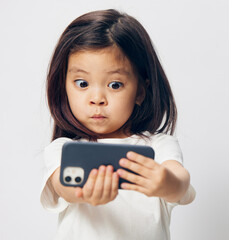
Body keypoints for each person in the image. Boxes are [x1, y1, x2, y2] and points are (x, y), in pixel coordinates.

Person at [40, 9, 195, 240]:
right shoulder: (63, 150)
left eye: (114, 85)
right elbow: (64, 186)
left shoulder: (158, 147)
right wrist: (84, 192)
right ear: (64, 87)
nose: (97, 98)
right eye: (82, 83)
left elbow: (180, 184)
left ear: (141, 91)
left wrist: (164, 181)